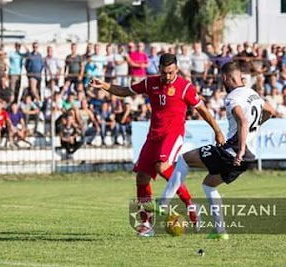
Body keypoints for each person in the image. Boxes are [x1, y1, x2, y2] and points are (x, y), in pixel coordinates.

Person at [89, 53, 225, 237]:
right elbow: (125, 91)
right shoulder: (150, 82)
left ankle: (190, 204)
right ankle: (147, 224)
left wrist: (217, 130)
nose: (166, 76)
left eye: (170, 73)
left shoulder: (185, 87)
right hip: (153, 136)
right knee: (142, 179)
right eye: (163, 72)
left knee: (162, 166)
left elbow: (202, 110)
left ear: (176, 69)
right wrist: (104, 85)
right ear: (158, 69)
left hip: (173, 134)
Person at [158, 61, 278, 240]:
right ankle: (220, 231)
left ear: (226, 78)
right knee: (208, 185)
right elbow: (271, 111)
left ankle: (163, 203)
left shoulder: (232, 98)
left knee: (184, 159)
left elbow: (243, 122)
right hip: (248, 158)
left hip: (232, 153)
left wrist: (240, 149)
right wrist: (256, 127)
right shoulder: (253, 95)